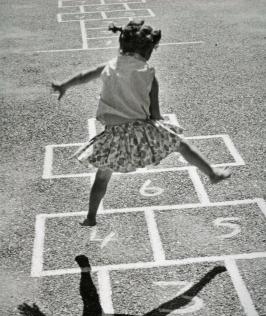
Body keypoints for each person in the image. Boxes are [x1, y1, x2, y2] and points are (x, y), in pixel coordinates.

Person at [52, 20, 231, 226]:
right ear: (148, 52)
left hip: (113, 136)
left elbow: (83, 77)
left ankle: (91, 216)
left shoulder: (108, 67)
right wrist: (158, 131)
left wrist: (63, 86)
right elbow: (155, 113)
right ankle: (212, 173)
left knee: (102, 177)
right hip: (140, 132)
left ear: (121, 46)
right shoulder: (149, 74)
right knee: (181, 145)